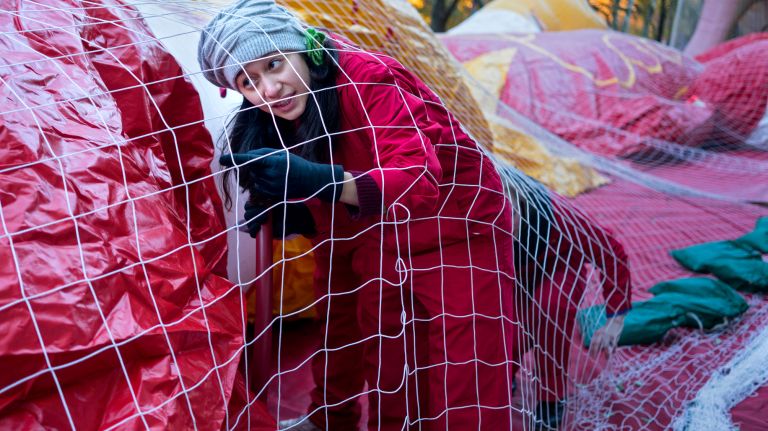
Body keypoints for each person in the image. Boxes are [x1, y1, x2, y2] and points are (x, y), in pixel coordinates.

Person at [198, 1, 516, 430]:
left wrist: (319, 181)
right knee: (390, 362)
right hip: (375, 231)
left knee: (467, 367)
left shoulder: (369, 76)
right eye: (250, 82)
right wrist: (293, 207)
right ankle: (338, 419)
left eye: (274, 64)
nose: (270, 89)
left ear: (303, 49)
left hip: (455, 226)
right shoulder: (268, 120)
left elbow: (419, 176)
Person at [507, 172, 632, 429]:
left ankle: (551, 399)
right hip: (516, 275)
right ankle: (501, 374)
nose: (503, 220)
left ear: (521, 203)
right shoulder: (477, 220)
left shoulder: (558, 216)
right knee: (504, 328)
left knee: (549, 309)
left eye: (510, 213)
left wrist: (615, 319)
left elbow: (610, 250)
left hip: (559, 266)